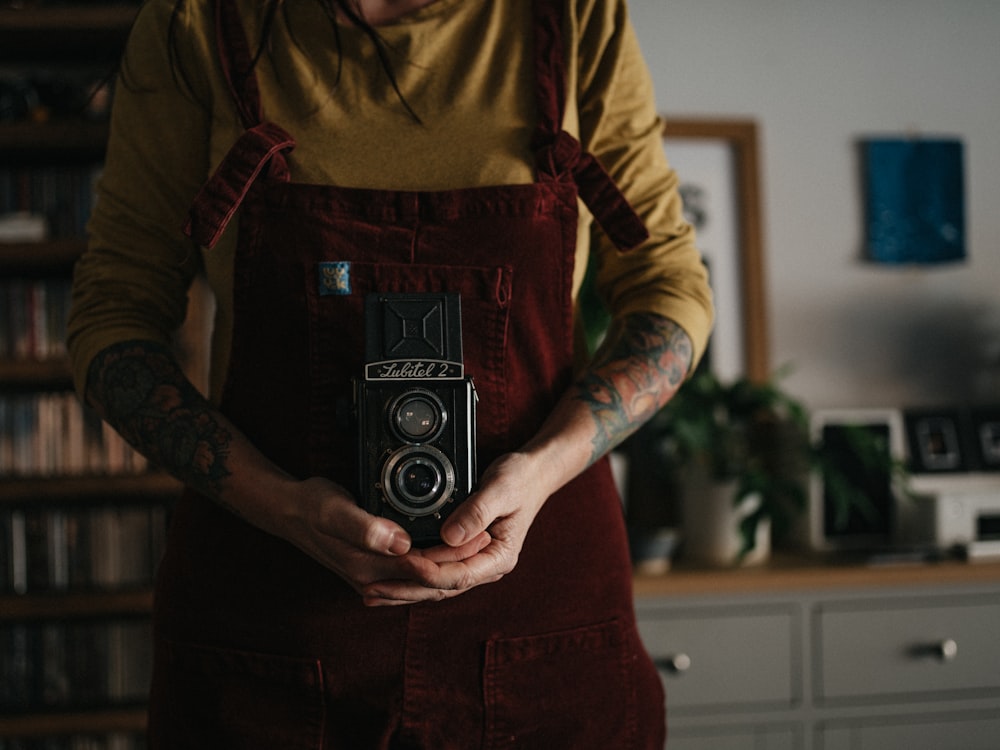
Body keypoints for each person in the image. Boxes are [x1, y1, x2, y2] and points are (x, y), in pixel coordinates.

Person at [67, 0, 714, 747]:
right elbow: (112, 315)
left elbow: (670, 291)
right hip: (274, 627)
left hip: (540, 615)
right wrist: (280, 506)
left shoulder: (574, 16)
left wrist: (540, 471)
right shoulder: (197, 21)